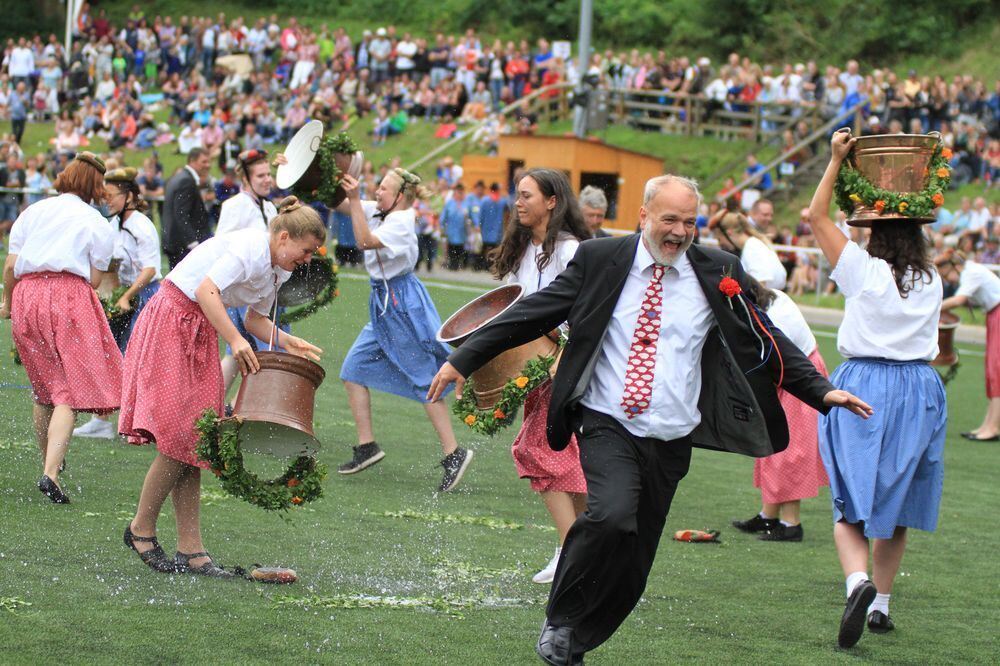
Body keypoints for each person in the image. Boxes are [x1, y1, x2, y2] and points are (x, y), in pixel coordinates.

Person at [428, 174, 872, 663]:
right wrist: (462, 358)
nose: (680, 232)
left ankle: (575, 643)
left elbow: (766, 338)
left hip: (671, 436)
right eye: (669, 220)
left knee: (635, 562)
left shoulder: (718, 271)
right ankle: (561, 622)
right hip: (607, 421)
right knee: (611, 516)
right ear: (643, 216)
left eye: (689, 221)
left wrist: (823, 390)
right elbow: (535, 311)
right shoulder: (600, 260)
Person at [119, 196, 324, 576]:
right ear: (282, 237)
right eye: (306, 250)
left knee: (197, 437)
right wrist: (234, 340)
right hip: (174, 318)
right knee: (183, 436)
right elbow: (205, 291)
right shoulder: (250, 246)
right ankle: (141, 529)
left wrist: (285, 340)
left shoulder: (281, 268)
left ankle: (191, 551)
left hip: (196, 327)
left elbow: (255, 318)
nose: (308, 259)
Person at [811, 130, 946, 648]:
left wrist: (835, 160)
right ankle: (882, 606)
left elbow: (816, 217)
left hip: (866, 381)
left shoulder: (863, 271)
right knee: (901, 499)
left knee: (850, 498)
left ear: (874, 231)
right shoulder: (932, 278)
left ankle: (857, 581)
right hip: (921, 388)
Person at [337, 168, 473, 492]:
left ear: (401, 196)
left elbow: (363, 240)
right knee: (352, 369)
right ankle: (367, 446)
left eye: (384, 188)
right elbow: (340, 203)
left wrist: (355, 199)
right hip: (384, 302)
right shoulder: (383, 210)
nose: (378, 192)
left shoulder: (400, 220)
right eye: (379, 187)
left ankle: (454, 453)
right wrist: (328, 171)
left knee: (423, 377)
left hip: (398, 302)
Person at [0, 152, 122, 503]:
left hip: (26, 295)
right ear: (96, 186)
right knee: (67, 390)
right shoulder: (96, 222)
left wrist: (9, 303)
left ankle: (48, 461)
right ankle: (51, 472)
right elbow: (97, 278)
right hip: (68, 295)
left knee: (43, 389)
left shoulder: (35, 211)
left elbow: (10, 266)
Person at [488, 169, 591, 584]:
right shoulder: (523, 249)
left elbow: (585, 312)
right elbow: (512, 311)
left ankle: (570, 553)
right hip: (535, 370)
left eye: (527, 195)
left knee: (535, 451)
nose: (519, 202)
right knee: (568, 461)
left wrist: (558, 341)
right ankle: (586, 550)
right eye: (518, 195)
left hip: (565, 368)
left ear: (552, 201)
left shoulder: (571, 251)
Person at [731, 278, 829, 541]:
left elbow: (772, 361)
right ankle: (768, 516)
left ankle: (791, 524)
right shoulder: (770, 298)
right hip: (788, 373)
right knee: (772, 445)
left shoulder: (772, 316)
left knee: (790, 450)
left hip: (800, 376)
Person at [74, 167, 162, 440]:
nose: (106, 201)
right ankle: (102, 420)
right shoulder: (112, 225)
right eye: (104, 195)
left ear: (130, 196)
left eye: (111, 196)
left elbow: (150, 269)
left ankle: (144, 425)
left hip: (146, 296)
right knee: (111, 354)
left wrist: (126, 296)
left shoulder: (142, 225)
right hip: (123, 295)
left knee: (137, 359)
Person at [214, 149, 282, 393]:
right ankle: (231, 408)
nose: (267, 179)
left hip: (266, 289)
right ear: (246, 179)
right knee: (257, 352)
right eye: (260, 175)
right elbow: (222, 244)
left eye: (269, 174)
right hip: (245, 290)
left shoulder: (270, 207)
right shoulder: (236, 205)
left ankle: (217, 408)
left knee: (240, 353)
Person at [937, 249, 1000, 441]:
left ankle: (993, 427)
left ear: (953, 266)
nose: (949, 281)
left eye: (946, 275)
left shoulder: (970, 272)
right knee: (991, 370)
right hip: (993, 314)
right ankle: (989, 425)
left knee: (996, 370)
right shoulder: (972, 270)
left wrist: (932, 307)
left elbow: (959, 300)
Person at [162, 148, 213, 269]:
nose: (208, 165)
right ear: (192, 161)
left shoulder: (180, 177)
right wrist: (193, 243)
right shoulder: (186, 180)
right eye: (204, 162)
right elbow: (181, 214)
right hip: (183, 247)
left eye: (209, 162)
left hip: (177, 244)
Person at [710, 210, 787, 289]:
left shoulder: (751, 249)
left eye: (719, 239)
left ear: (729, 233)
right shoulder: (752, 245)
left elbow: (760, 287)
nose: (721, 244)